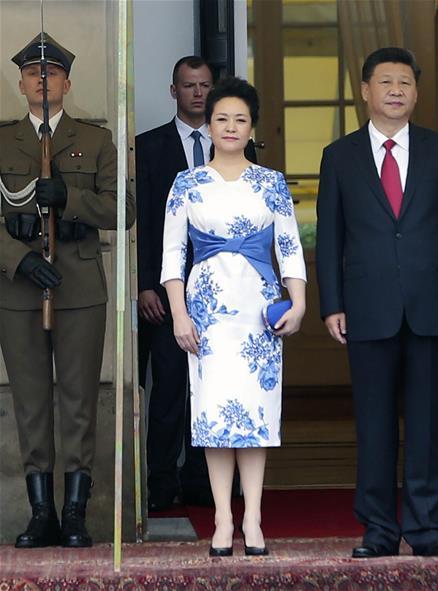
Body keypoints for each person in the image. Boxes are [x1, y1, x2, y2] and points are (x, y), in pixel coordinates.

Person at [316, 47, 438, 558]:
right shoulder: (339, 156)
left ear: (416, 93)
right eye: (385, 82)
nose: (395, 90)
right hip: (366, 307)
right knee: (374, 425)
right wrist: (331, 304)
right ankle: (379, 531)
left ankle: (428, 529)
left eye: (404, 82)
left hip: (433, 303)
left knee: (429, 424)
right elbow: (329, 236)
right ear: (365, 91)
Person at [160, 77, 307, 556]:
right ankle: (223, 518)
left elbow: (289, 248)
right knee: (213, 415)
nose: (229, 126)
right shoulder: (187, 183)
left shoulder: (271, 182)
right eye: (221, 118)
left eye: (239, 119)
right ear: (210, 122)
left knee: (255, 417)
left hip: (258, 311)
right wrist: (180, 315)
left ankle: (255, 518)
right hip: (207, 311)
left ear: (251, 127)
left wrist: (298, 301)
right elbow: (171, 256)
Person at [0, 33, 135, 548]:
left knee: (79, 401)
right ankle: (41, 512)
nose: (42, 80)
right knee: (32, 402)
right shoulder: (3, 140)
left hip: (77, 287)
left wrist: (71, 198)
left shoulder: (96, 141)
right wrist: (20, 258)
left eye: (51, 72)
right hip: (17, 290)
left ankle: (76, 510)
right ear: (21, 85)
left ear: (67, 83)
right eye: (34, 74)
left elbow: (123, 210)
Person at [136, 55, 255, 511]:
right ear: (174, 91)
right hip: (166, 294)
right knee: (168, 388)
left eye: (206, 85)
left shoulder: (237, 147)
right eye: (189, 85)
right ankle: (161, 483)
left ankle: (205, 483)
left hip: (225, 292)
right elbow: (143, 223)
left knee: (215, 387)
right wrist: (147, 283)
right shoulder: (145, 147)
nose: (199, 93)